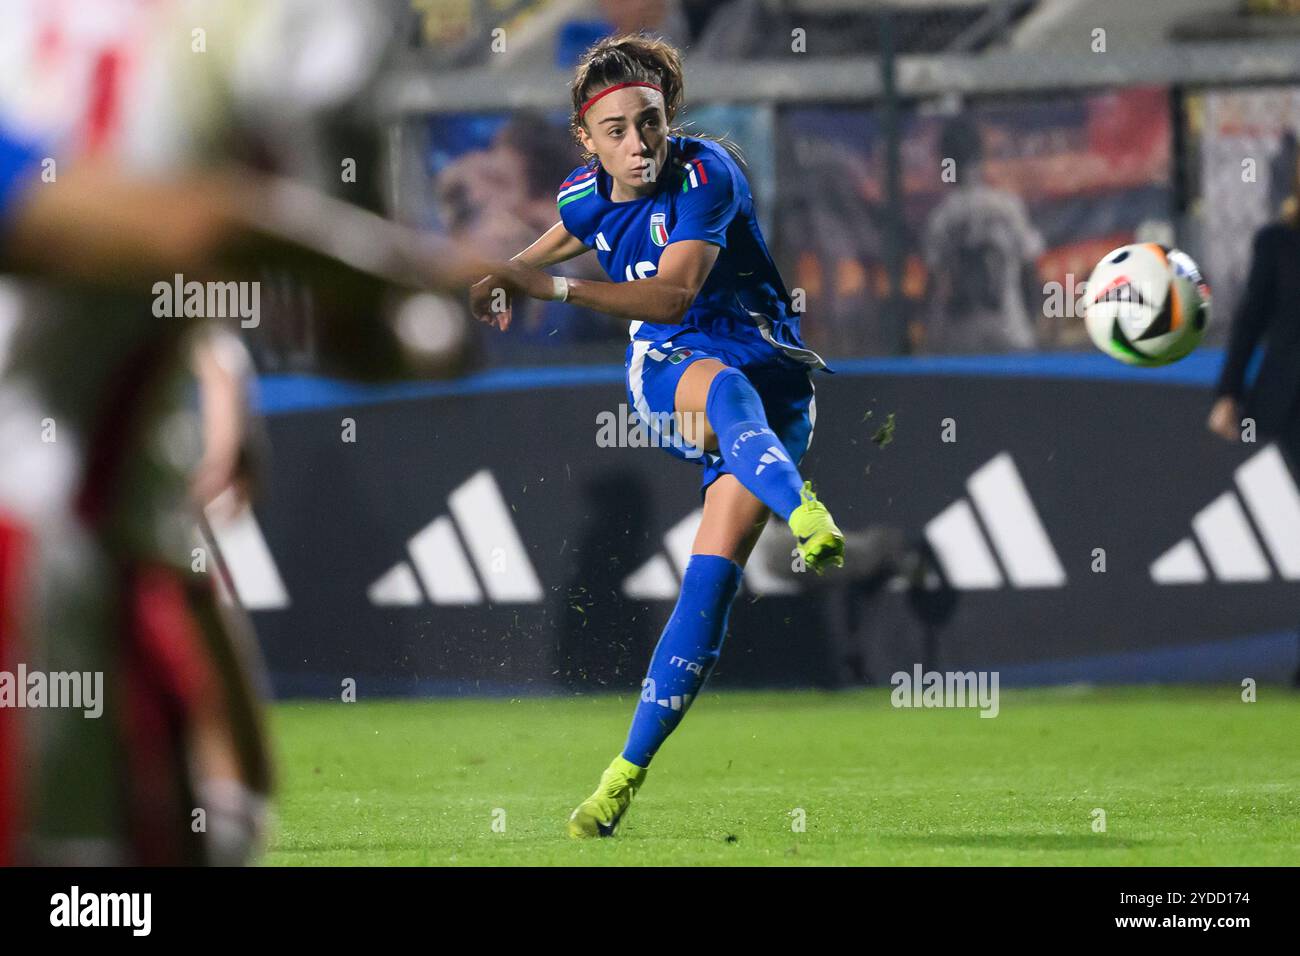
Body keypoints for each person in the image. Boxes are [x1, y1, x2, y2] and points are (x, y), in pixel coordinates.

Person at [468, 34, 846, 838]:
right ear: (586, 138)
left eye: (649, 124)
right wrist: (507, 276)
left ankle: (621, 776)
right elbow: (559, 247)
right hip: (674, 368)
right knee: (724, 389)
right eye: (616, 133)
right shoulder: (584, 193)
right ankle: (805, 511)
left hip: (773, 366)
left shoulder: (710, 174)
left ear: (667, 115)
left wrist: (550, 287)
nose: (637, 146)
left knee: (709, 585)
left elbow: (673, 293)